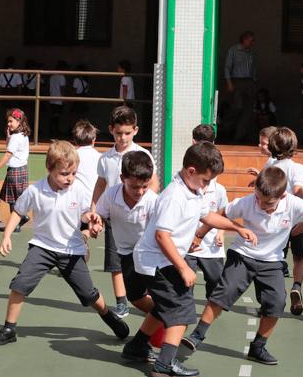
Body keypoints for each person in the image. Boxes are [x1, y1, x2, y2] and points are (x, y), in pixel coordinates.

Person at [181, 166, 303, 365]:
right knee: (224, 292)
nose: (260, 203)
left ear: (282, 196)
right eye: (257, 197)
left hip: (272, 261)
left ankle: (258, 347)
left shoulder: (293, 204)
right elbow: (223, 213)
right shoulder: (248, 202)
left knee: (276, 303)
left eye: (267, 202)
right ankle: (197, 335)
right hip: (243, 254)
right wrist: (199, 235)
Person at [121, 142, 257, 377]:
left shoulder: (193, 191)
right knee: (181, 314)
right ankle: (164, 365)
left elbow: (208, 216)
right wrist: (184, 268)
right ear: (191, 171)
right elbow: (162, 235)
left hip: (161, 260)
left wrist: (237, 227)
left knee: (165, 307)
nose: (207, 186)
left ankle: (137, 347)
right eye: (206, 180)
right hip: (158, 262)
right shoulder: (175, 196)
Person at [0, 141, 129, 346]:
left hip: (71, 250)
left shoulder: (78, 190)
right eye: (64, 174)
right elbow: (18, 212)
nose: (69, 179)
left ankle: (108, 315)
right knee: (20, 284)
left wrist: (92, 219)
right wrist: (6, 236)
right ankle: (9, 328)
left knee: (88, 294)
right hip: (42, 247)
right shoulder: (35, 191)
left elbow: (85, 213)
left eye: (73, 173)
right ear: (50, 169)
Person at [91, 106, 158, 319]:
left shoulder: (142, 154)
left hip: (141, 221)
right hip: (115, 216)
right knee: (115, 262)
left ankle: (155, 302)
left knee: (145, 262)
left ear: (135, 131)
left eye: (127, 133)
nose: (122, 137)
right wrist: (95, 212)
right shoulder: (105, 159)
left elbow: (153, 182)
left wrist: (141, 203)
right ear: (111, 130)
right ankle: (121, 301)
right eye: (119, 133)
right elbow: (101, 184)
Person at [265, 127, 303, 314]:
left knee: (277, 257)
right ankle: (297, 286)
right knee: (300, 257)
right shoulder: (297, 167)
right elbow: (298, 191)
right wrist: (302, 219)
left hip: (277, 219)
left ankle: (279, 292)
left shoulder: (269, 167)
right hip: (295, 217)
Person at [186, 124, 228, 300]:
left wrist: (221, 233)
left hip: (211, 247)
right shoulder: (184, 182)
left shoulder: (218, 189)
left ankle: (212, 306)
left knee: (216, 280)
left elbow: (222, 211)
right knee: (184, 282)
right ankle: (183, 307)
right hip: (187, 244)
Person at [0, 108, 31, 233]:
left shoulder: (16, 137)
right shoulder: (23, 135)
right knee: (18, 197)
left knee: (12, 199)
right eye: (8, 121)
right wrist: (8, 137)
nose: (8, 124)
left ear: (19, 122)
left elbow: (8, 154)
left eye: (11, 121)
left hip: (15, 171)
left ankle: (16, 222)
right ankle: (20, 219)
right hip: (23, 170)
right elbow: (9, 147)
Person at [225, 30, 257, 143]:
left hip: (249, 83)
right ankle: (226, 130)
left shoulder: (251, 53)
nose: (253, 42)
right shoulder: (233, 50)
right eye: (251, 40)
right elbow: (227, 67)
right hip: (236, 82)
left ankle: (238, 137)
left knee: (248, 111)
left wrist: (254, 82)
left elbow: (253, 69)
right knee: (237, 107)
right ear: (244, 39)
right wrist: (229, 83)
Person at [72, 120, 101, 196]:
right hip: (97, 201)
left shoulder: (71, 156)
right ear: (93, 140)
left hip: (76, 200)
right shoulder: (101, 157)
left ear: (74, 140)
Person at [48, 60, 68, 138]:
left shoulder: (52, 76)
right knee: (56, 116)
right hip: (58, 99)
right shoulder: (62, 77)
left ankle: (52, 131)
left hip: (52, 98)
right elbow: (62, 89)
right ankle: (55, 133)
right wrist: (63, 98)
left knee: (53, 115)